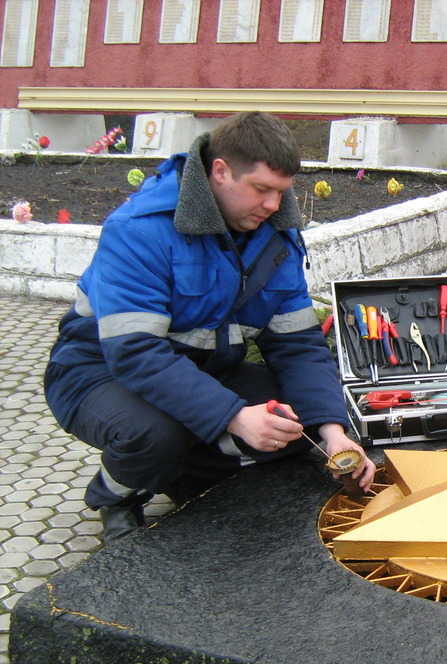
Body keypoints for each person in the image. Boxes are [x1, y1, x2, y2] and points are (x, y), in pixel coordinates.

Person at [45, 112, 375, 542]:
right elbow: (136, 354)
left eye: (281, 192)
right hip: (98, 370)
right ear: (220, 171)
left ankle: (181, 475)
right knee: (156, 435)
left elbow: (298, 347)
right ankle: (115, 495)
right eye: (261, 190)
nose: (274, 206)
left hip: (204, 369)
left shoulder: (275, 238)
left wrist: (335, 435)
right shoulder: (138, 231)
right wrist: (234, 416)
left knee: (299, 420)